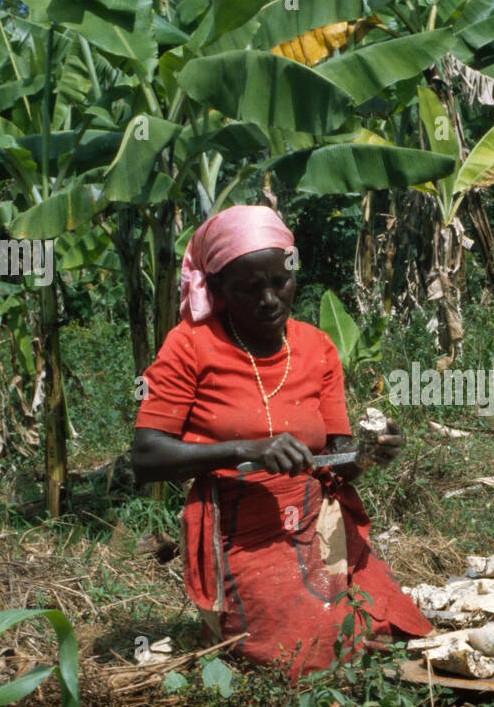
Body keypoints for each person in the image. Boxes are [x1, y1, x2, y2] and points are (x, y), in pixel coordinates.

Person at [130, 205, 431, 682]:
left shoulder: (316, 347)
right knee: (301, 657)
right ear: (219, 290)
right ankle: (233, 624)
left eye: (281, 281)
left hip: (317, 519)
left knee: (391, 628)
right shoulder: (189, 346)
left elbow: (335, 460)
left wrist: (370, 455)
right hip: (240, 528)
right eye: (249, 288)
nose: (270, 299)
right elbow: (145, 457)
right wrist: (245, 449)